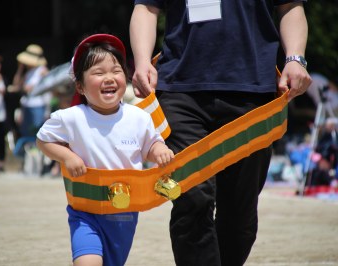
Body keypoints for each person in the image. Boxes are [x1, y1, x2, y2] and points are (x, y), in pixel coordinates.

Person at [130, 1, 312, 265]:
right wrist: (142, 61)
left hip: (253, 94)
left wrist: (295, 58)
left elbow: (289, 6)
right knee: (192, 198)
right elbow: (146, 7)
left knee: (239, 213)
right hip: (180, 90)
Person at [36, 34, 174, 266]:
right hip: (85, 212)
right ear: (80, 85)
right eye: (98, 73)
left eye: (116, 70)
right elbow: (43, 140)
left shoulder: (138, 117)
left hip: (125, 214)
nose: (109, 78)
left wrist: (159, 149)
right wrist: (67, 156)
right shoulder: (71, 118)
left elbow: (149, 144)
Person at [12, 44, 50, 153]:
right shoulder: (28, 72)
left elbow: (48, 88)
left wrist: (47, 110)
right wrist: (20, 68)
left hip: (38, 106)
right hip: (26, 105)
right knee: (26, 133)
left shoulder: (42, 70)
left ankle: (38, 159)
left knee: (37, 133)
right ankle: (29, 158)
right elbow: (16, 85)